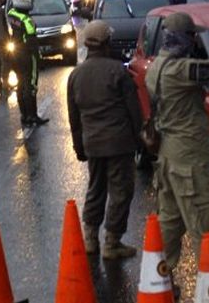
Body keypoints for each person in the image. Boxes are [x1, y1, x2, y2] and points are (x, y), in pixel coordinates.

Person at [145, 12, 209, 284]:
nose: (195, 40)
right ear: (184, 38)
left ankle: (159, 283)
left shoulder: (157, 66)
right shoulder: (181, 70)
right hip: (188, 156)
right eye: (192, 36)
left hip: (167, 155)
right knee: (205, 225)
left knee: (169, 222)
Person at [67, 20, 143, 260]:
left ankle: (90, 239)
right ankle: (112, 241)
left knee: (95, 189)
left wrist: (80, 147)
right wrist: (139, 139)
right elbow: (134, 111)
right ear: (107, 42)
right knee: (120, 191)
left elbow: (74, 118)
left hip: (93, 144)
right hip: (119, 143)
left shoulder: (76, 75)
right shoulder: (118, 71)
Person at [7, 0, 49, 127]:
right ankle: (33, 116)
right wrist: (39, 58)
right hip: (27, 56)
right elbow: (32, 42)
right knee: (31, 85)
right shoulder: (27, 21)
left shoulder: (12, 15)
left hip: (15, 54)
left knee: (20, 84)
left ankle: (24, 115)